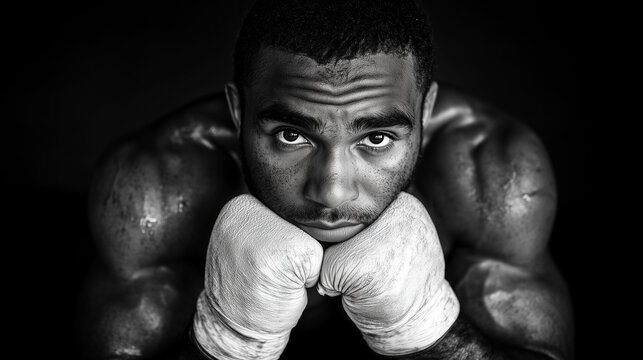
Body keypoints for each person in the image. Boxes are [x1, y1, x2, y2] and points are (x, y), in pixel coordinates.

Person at [76, 0, 574, 359]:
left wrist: (432, 334)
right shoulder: (159, 183)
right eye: (292, 135)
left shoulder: (488, 170)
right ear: (237, 110)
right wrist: (228, 342)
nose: (332, 192)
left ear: (426, 111)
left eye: (377, 139)